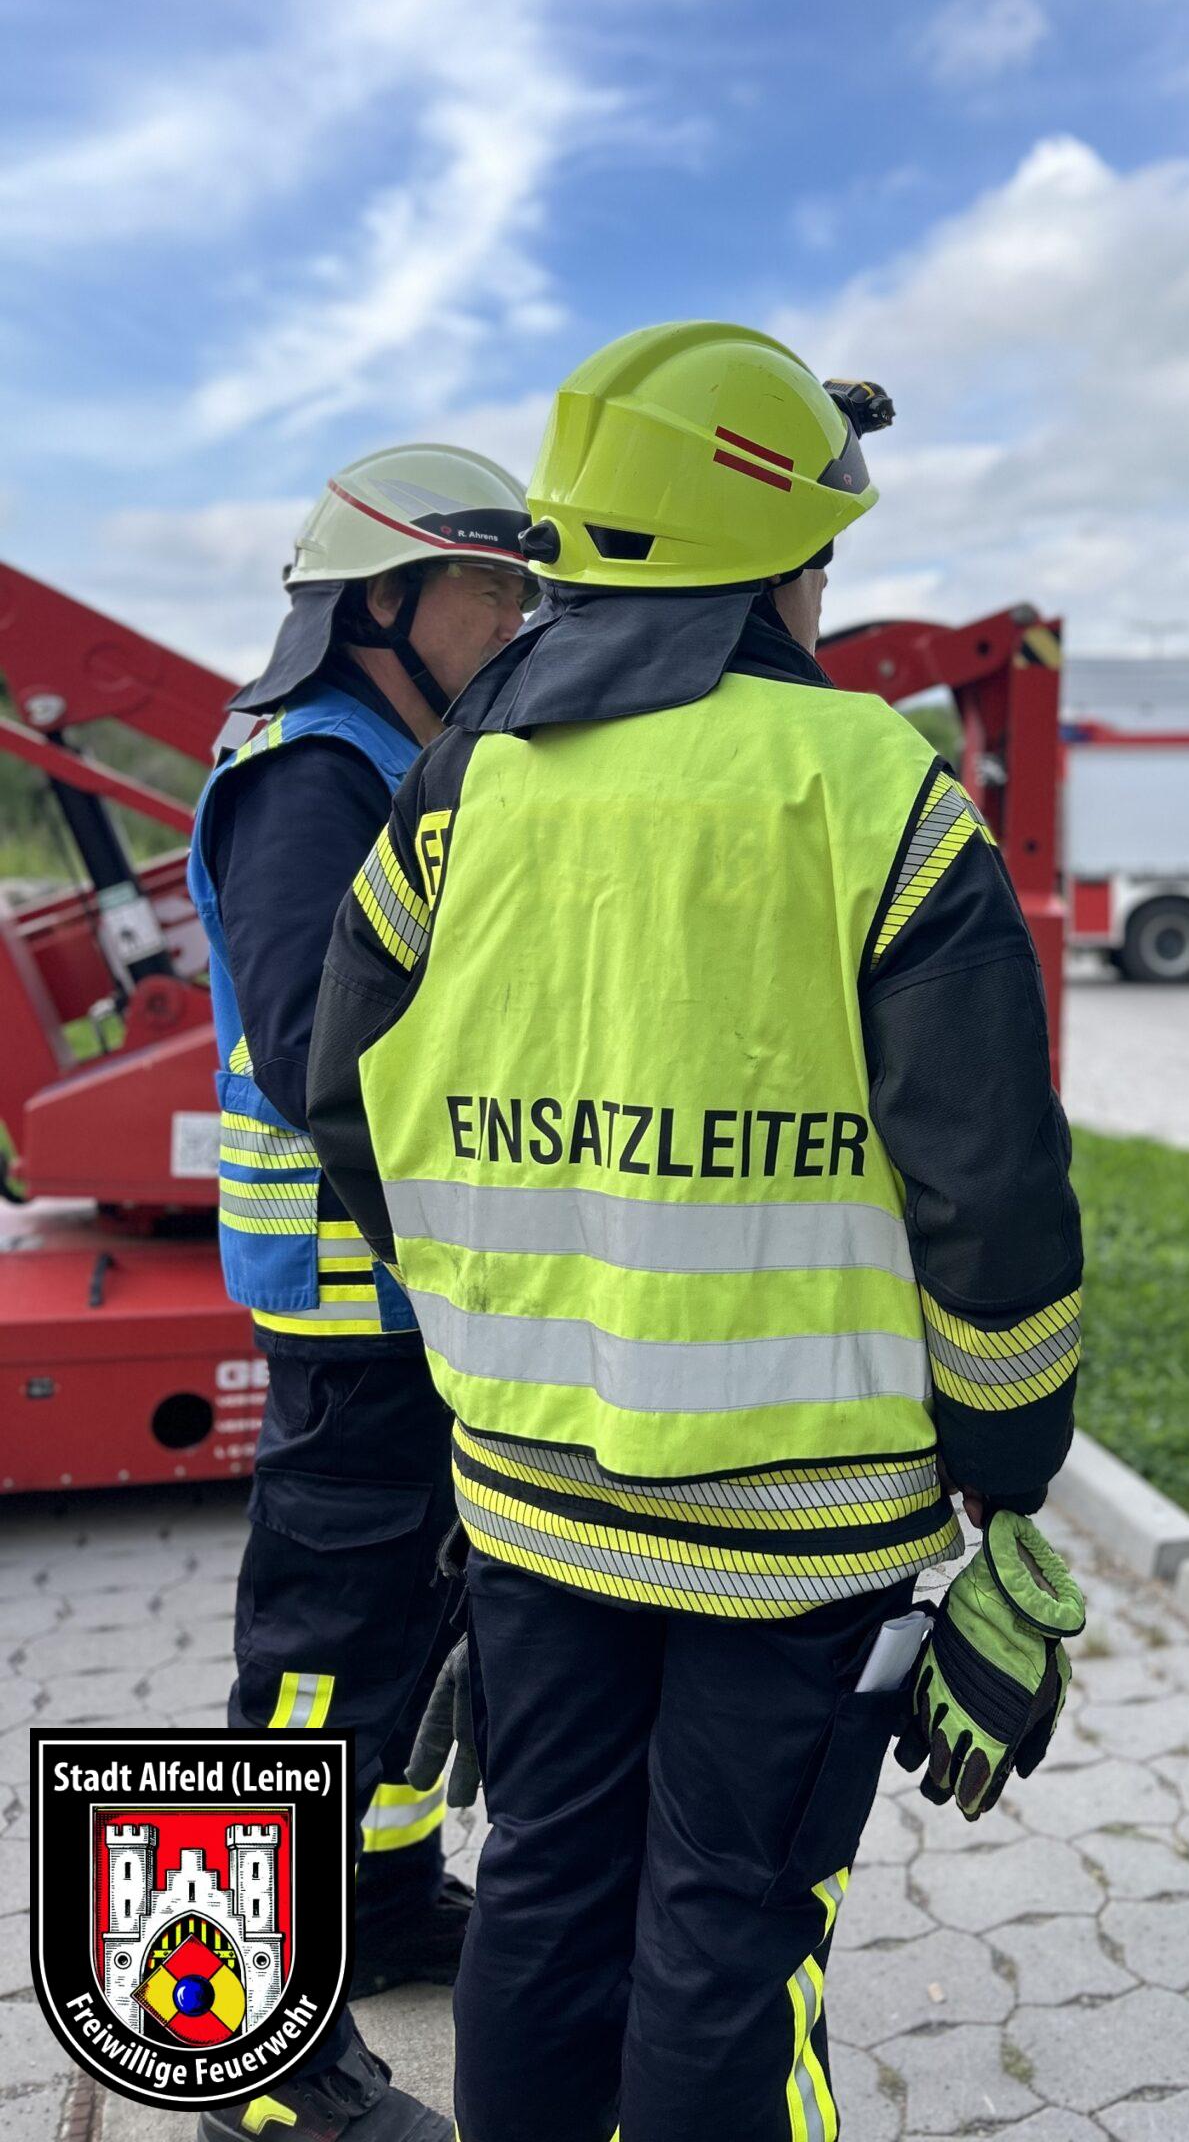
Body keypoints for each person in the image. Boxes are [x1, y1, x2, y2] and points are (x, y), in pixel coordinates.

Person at [306, 322, 1084, 2142]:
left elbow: (346, 1087)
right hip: (797, 1525)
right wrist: (1009, 1472)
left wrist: (495, 1310)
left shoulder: (470, 780)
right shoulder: (872, 785)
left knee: (548, 1889)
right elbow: (988, 1192)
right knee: (727, 1929)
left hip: (531, 1492)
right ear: (778, 559)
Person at [185, 446, 536, 2142]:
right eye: (496, 589)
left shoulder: (404, 756)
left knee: (409, 1625)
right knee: (315, 1659)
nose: (520, 620)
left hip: (413, 1293)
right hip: (350, 1297)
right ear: (383, 599)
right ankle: (237, 2048)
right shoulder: (313, 773)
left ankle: (382, 1902)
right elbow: (318, 1038)